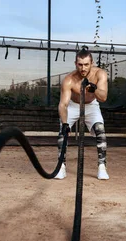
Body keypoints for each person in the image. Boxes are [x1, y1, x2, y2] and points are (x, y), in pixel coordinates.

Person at [54, 47, 109, 180]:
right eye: (80, 65)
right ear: (75, 64)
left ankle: (102, 166)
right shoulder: (69, 79)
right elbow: (63, 104)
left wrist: (94, 89)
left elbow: (103, 97)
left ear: (92, 63)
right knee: (63, 132)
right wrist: (66, 123)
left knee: (100, 130)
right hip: (73, 105)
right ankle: (61, 167)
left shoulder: (100, 74)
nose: (83, 68)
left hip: (91, 105)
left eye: (86, 65)